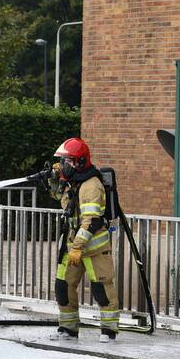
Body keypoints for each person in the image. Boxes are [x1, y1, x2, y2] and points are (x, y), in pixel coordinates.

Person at [49, 137, 120, 343]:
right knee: (63, 285)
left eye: (67, 161)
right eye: (62, 161)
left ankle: (108, 330)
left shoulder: (91, 185)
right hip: (73, 245)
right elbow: (59, 197)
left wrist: (78, 246)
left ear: (79, 161)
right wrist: (54, 179)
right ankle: (68, 328)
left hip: (93, 247)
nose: (63, 166)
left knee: (102, 289)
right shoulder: (73, 182)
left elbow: (92, 221)